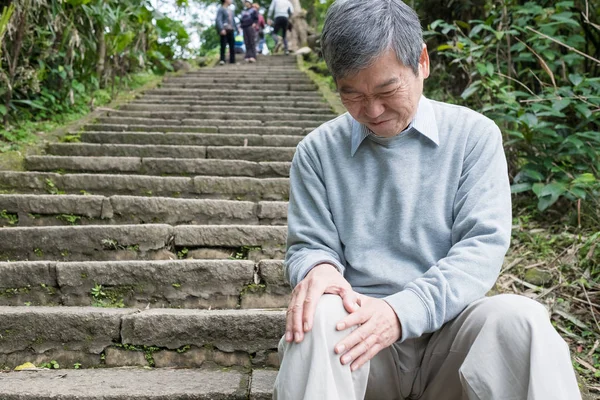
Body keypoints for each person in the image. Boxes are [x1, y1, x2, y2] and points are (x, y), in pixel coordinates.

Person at [273, 1, 583, 399]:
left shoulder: (475, 136)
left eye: (387, 90)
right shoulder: (316, 152)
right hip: (358, 344)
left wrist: (401, 312)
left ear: (422, 61)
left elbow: (481, 247)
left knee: (522, 320)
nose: (372, 110)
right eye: (351, 95)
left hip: (450, 338)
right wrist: (319, 268)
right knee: (318, 313)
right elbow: (308, 246)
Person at [215, 0, 236, 65]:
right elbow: (218, 19)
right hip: (224, 29)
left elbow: (233, 20)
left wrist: (236, 28)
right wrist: (221, 29)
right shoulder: (221, 9)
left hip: (231, 29)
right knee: (223, 45)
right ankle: (222, 59)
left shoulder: (231, 10)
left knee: (232, 45)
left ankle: (232, 60)